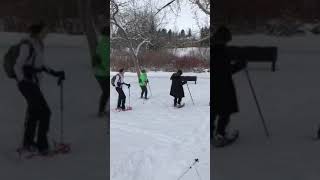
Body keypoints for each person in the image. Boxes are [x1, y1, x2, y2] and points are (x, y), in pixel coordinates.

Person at [14, 22, 65, 154]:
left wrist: (54, 72)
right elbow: (17, 66)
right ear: (38, 32)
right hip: (27, 84)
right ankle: (42, 145)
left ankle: (28, 143)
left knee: (34, 113)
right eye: (45, 31)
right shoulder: (27, 45)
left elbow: (40, 64)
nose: (46, 34)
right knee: (45, 112)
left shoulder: (39, 44)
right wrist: (23, 79)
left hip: (34, 83)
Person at [211, 26, 247, 147]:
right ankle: (220, 134)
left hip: (213, 85)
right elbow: (225, 70)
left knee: (214, 109)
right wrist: (240, 65)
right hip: (223, 85)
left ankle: (211, 132)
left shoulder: (214, 49)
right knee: (224, 110)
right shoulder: (221, 51)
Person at [93, 26, 110, 117]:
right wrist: (105, 68)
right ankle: (101, 111)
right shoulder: (106, 43)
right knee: (106, 92)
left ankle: (102, 110)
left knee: (106, 92)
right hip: (103, 73)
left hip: (100, 73)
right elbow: (104, 59)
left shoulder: (102, 42)